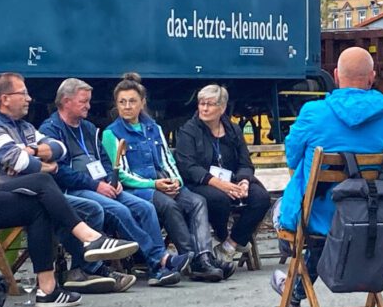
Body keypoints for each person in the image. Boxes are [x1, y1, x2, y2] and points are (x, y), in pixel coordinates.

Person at [0, 68, 136, 307]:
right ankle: (90, 238)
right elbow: (24, 165)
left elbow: (58, 149)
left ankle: (48, 290)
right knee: (42, 183)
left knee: (37, 207)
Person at [271, 47, 383, 307]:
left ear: (336, 75)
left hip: (317, 214)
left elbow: (292, 158)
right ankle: (295, 287)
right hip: (371, 212)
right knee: (330, 215)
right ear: (372, 76)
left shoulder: (313, 111)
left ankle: (293, 275)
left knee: (285, 210)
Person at [40, 78, 193, 287]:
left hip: (101, 186)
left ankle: (158, 263)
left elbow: (103, 158)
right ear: (66, 102)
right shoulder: (51, 130)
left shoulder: (88, 127)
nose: (88, 106)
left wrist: (110, 180)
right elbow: (60, 171)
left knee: (145, 207)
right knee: (119, 210)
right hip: (74, 190)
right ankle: (160, 263)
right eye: (83, 102)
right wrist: (96, 185)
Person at [102, 73, 231, 283]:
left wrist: (175, 182)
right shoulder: (111, 133)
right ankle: (192, 259)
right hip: (138, 189)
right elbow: (121, 173)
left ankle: (204, 257)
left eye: (132, 101)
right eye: (122, 102)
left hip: (163, 184)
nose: (127, 106)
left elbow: (167, 161)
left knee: (197, 201)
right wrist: (155, 184)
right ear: (116, 105)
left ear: (142, 103)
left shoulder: (154, 128)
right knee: (168, 206)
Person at [175, 84, 271, 264]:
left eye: (210, 104)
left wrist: (243, 181)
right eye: (201, 103)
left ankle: (231, 244)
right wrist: (220, 184)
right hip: (202, 183)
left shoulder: (233, 130)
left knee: (261, 197)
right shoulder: (189, 130)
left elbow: (245, 162)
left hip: (231, 180)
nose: (204, 108)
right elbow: (188, 167)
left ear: (222, 107)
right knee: (219, 199)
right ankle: (223, 234)